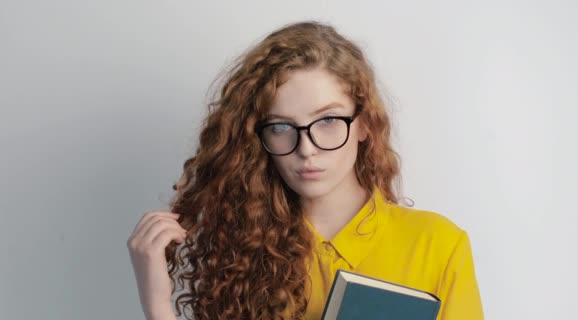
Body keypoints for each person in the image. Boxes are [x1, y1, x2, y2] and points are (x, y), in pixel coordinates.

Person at [127, 20, 484, 320]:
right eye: (281, 127)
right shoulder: (239, 252)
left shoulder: (437, 245)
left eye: (328, 120)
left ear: (364, 125)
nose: (307, 150)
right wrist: (157, 301)